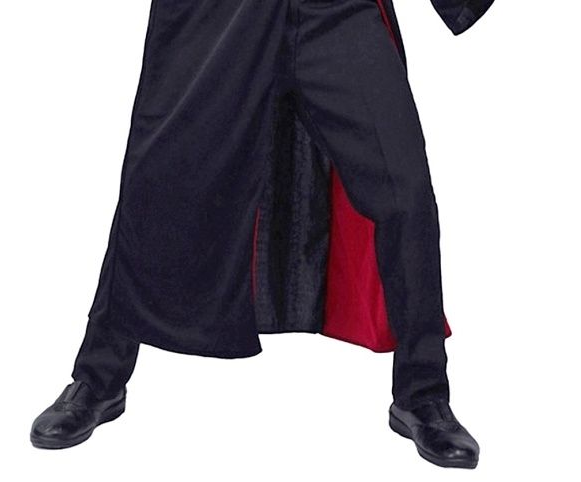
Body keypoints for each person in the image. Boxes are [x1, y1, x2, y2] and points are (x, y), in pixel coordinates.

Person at [30, 0, 495, 469]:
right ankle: (98, 377)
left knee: (404, 192)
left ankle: (423, 393)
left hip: (337, 14)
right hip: (218, 13)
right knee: (156, 181)